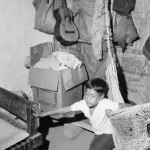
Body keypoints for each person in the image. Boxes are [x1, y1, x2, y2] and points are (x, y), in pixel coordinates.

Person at [34, 78, 132, 150]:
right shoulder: (83, 104)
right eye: (86, 94)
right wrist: (42, 114)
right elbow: (63, 110)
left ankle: (117, 141)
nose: (88, 98)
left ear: (101, 96)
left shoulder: (106, 103)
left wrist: (115, 113)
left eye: (92, 95)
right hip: (98, 131)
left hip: (110, 133)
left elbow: (126, 106)